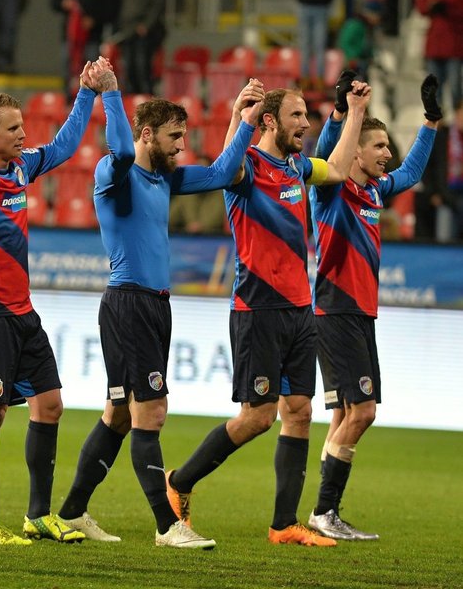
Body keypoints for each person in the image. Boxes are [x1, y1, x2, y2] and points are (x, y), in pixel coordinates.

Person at [56, 73, 264, 548]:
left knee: (120, 416)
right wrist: (111, 91)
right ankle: (168, 526)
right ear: (146, 133)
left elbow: (221, 174)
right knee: (150, 412)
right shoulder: (115, 172)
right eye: (174, 137)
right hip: (128, 302)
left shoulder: (164, 179)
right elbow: (124, 152)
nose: (181, 148)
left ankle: (71, 512)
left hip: (153, 305)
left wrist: (240, 119)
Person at [164, 80, 372, 547]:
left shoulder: (298, 166)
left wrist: (355, 111)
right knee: (256, 417)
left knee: (299, 413)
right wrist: (241, 114)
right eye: (297, 116)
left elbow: (338, 168)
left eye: (306, 116)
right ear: (272, 121)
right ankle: (179, 482)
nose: (306, 124)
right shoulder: (245, 168)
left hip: (301, 310)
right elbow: (224, 166)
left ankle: (283, 525)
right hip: (258, 310)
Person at [0, 59, 112, 546]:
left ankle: (38, 514)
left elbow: (64, 146)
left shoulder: (22, 167)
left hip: (22, 310)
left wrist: (86, 93)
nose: (23, 134)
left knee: (50, 404)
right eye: (13, 128)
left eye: (23, 126)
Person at [305, 74, 440, 540]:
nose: (387, 153)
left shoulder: (375, 192)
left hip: (359, 313)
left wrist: (431, 121)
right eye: (378, 146)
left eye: (387, 145)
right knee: (363, 413)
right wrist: (343, 113)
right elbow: (324, 155)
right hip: (335, 309)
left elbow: (415, 172)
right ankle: (325, 512)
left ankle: (324, 513)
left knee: (347, 415)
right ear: (355, 151)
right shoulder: (331, 189)